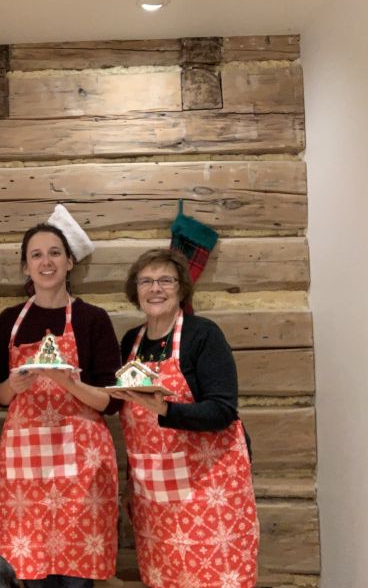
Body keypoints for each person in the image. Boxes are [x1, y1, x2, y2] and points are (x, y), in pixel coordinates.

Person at [116, 248, 259, 588]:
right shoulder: (130, 343)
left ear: (181, 288)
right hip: (154, 494)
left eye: (166, 280)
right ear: (135, 290)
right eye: (146, 281)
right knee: (165, 577)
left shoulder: (203, 335)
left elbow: (223, 410)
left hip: (210, 487)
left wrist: (166, 410)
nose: (156, 288)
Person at [0, 222, 121, 588]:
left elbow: (110, 401)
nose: (45, 262)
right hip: (25, 468)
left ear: (69, 263)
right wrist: (13, 386)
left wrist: (68, 382)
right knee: (29, 573)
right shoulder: (9, 321)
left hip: (82, 467)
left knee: (76, 575)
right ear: (25, 266)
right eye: (36, 255)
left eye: (54, 253)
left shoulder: (92, 319)